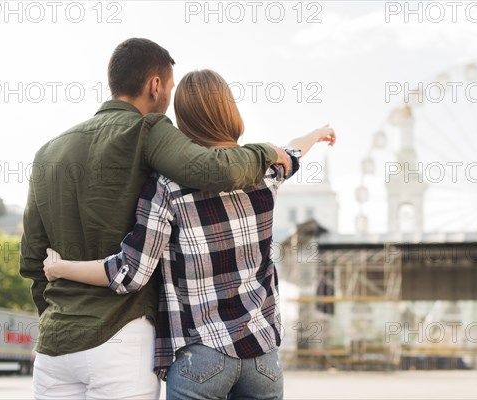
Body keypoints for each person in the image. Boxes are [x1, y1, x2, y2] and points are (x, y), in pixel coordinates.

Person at [19, 39, 291, 400]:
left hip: (56, 345)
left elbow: (32, 259)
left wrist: (55, 314)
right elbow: (210, 169)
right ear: (156, 85)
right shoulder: (147, 130)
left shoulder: (47, 153)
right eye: (171, 87)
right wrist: (269, 151)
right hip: (122, 337)